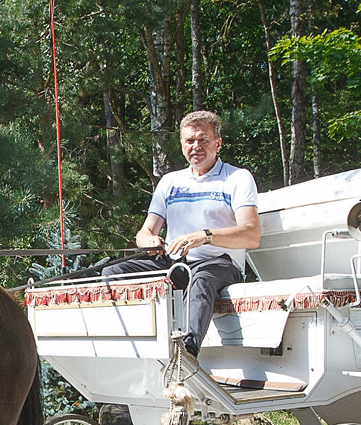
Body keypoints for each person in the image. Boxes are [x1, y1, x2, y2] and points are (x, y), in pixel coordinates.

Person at [99, 111, 260, 354]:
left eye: (203, 140)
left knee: (200, 280)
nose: (196, 146)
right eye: (189, 141)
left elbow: (251, 235)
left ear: (218, 143)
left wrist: (204, 236)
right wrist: (151, 241)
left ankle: (187, 354)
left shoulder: (237, 177)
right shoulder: (170, 182)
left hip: (220, 264)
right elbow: (144, 233)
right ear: (182, 145)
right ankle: (135, 345)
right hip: (174, 264)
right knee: (113, 272)